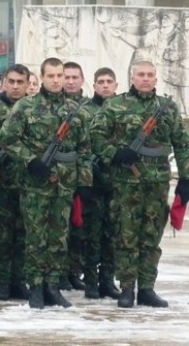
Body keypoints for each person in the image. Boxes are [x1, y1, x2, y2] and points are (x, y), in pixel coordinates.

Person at [90, 60, 189, 308]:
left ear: (156, 79)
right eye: (141, 74)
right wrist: (116, 153)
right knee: (126, 237)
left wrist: (186, 177)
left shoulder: (167, 109)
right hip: (126, 183)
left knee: (151, 237)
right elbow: (95, 137)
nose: (145, 79)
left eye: (150, 75)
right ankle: (126, 288)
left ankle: (147, 288)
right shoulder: (115, 105)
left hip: (157, 183)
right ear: (132, 78)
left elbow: (183, 144)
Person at [0, 57, 92, 310]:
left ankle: (53, 285)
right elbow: (7, 139)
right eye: (50, 76)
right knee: (36, 237)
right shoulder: (26, 107)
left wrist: (84, 182)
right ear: (40, 78)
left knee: (59, 237)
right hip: (35, 183)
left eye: (59, 75)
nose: (56, 80)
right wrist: (30, 160)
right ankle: (36, 286)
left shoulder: (76, 111)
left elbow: (84, 149)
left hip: (65, 182)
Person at [0, 64, 31, 301]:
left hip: (27, 182)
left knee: (24, 234)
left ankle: (19, 280)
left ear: (27, 84)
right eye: (10, 81)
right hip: (1, 182)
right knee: (2, 235)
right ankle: (3, 282)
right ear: (3, 82)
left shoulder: (34, 109)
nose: (15, 86)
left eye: (19, 82)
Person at [81, 67, 120, 300]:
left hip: (117, 181)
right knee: (91, 234)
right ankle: (91, 281)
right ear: (93, 86)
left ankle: (108, 279)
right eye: (101, 82)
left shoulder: (122, 110)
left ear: (116, 85)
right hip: (93, 181)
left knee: (112, 233)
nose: (105, 85)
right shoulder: (84, 111)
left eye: (109, 82)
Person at [59, 61, 90, 292]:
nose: (70, 81)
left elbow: (86, 148)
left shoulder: (88, 108)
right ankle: (58, 275)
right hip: (56, 178)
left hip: (81, 176)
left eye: (74, 77)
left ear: (82, 80)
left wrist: (85, 180)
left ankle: (73, 272)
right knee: (59, 229)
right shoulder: (56, 106)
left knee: (79, 230)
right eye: (66, 77)